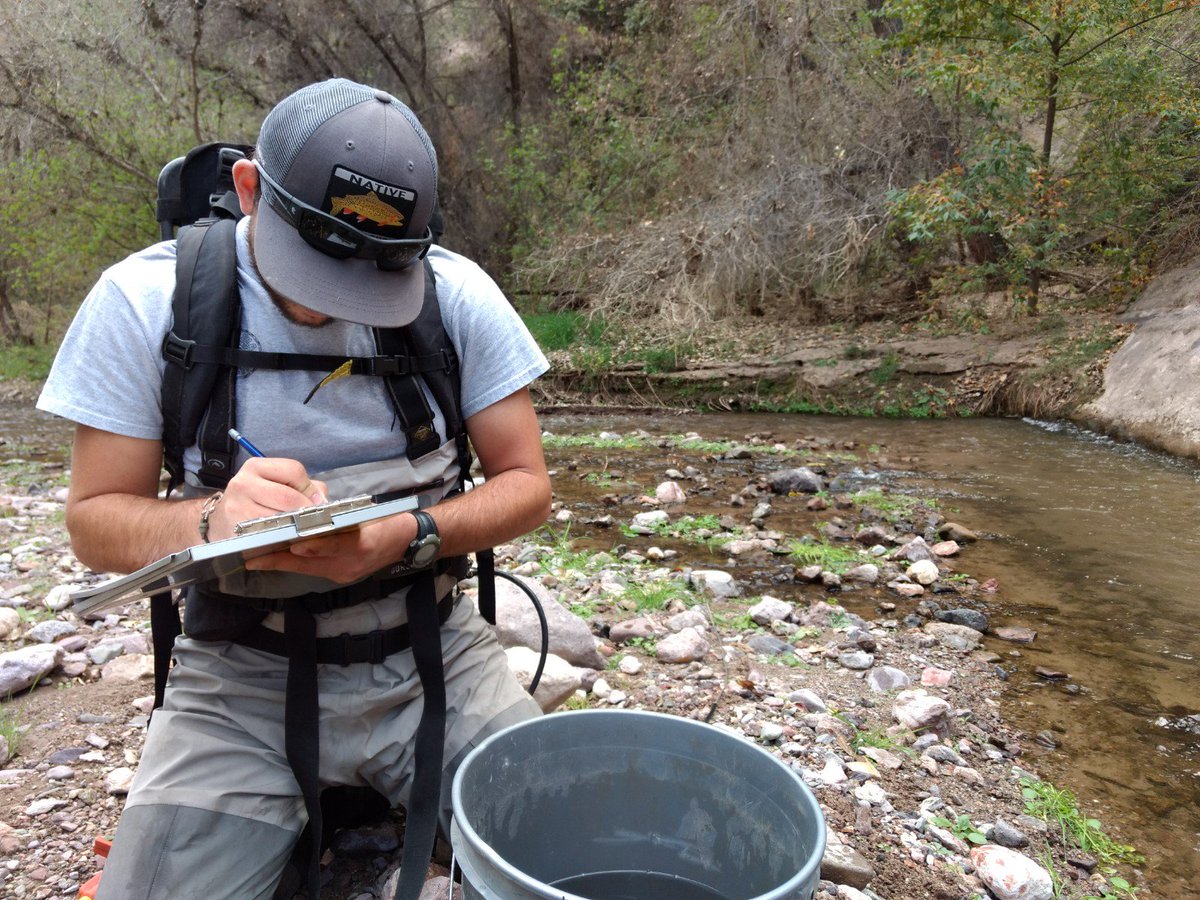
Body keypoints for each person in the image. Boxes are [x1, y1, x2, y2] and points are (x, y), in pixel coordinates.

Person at [36, 78, 550, 899]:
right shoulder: (141, 304)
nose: (329, 303)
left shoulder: (457, 295)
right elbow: (94, 524)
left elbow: (527, 486)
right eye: (311, 267)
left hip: (433, 653)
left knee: (565, 854)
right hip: (240, 672)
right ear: (248, 189)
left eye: (373, 277)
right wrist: (211, 517)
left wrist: (410, 534)